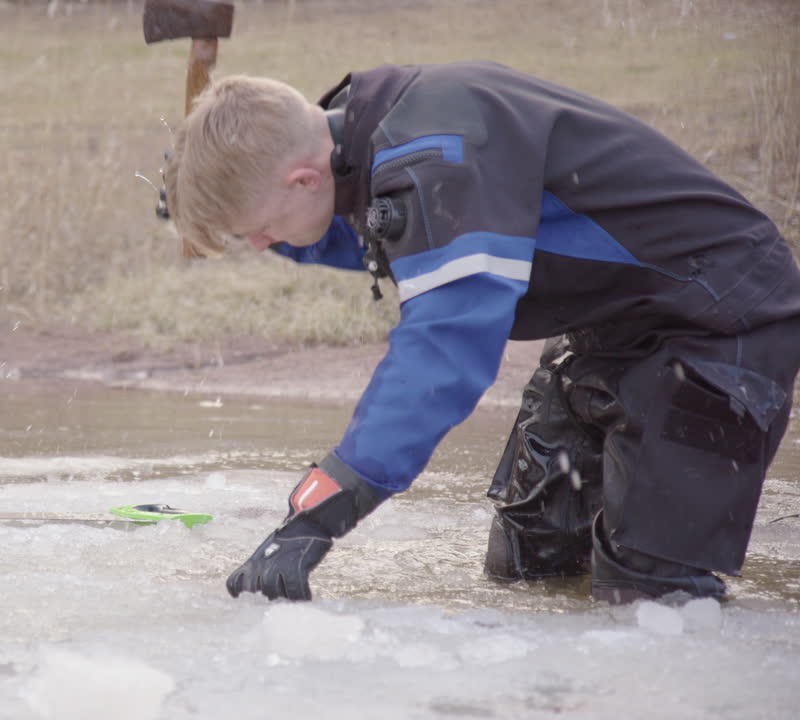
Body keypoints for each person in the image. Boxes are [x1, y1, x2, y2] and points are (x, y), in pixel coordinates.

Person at [159, 62, 800, 603]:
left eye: (258, 231)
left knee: (653, 595)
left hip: (721, 319)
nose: (262, 245)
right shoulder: (362, 145)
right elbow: (343, 226)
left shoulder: (436, 157)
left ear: (302, 179)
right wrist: (206, 195)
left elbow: (445, 348)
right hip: (612, 324)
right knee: (529, 562)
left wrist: (323, 509)